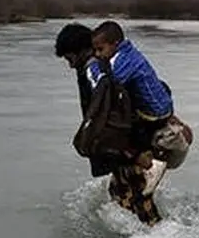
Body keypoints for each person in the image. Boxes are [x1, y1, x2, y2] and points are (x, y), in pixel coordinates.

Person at [53, 22, 163, 226]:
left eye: (70, 58)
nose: (70, 65)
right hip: (124, 147)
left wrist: (132, 152)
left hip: (126, 148)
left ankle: (156, 236)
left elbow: (112, 118)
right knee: (120, 194)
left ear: (81, 51)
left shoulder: (96, 72)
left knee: (138, 206)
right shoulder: (106, 66)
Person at [88, 20, 192, 196]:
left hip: (153, 114)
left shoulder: (125, 60)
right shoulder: (130, 54)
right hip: (160, 108)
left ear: (115, 44)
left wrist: (91, 68)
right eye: (95, 51)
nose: (98, 55)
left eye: (101, 49)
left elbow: (106, 85)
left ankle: (153, 165)